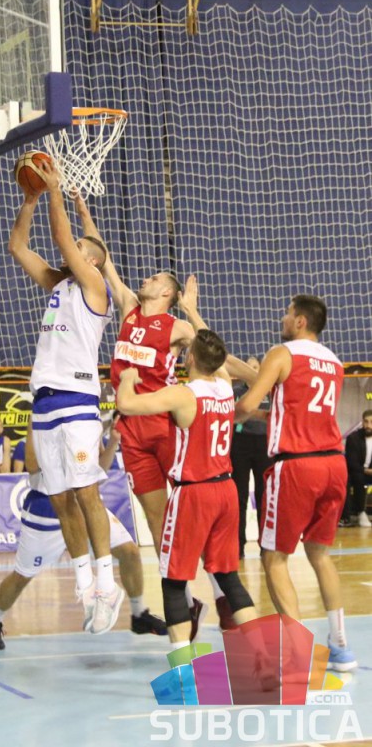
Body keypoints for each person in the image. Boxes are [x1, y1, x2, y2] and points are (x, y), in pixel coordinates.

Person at [75, 197, 257, 634]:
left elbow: (214, 355)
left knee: (191, 517)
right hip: (132, 433)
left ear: (167, 293)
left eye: (155, 277)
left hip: (166, 425)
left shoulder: (178, 328)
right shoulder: (127, 307)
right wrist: (82, 210)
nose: (146, 278)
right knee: (160, 524)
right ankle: (189, 601)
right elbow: (103, 257)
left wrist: (255, 375)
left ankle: (221, 592)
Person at [8, 163, 123, 636]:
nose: (72, 248)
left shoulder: (96, 288)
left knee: (85, 491)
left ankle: (107, 584)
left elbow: (61, 241)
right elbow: (18, 247)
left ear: (91, 261)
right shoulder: (61, 285)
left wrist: (56, 190)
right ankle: (84, 586)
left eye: (80, 248)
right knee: (58, 497)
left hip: (77, 398)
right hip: (45, 400)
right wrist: (31, 200)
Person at [116, 330, 270, 660]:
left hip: (193, 493)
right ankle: (263, 659)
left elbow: (126, 404)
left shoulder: (183, 395)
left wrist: (128, 378)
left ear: (190, 358)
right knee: (229, 578)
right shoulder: (225, 387)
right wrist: (194, 315)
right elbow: (222, 360)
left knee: (173, 581)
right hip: (226, 490)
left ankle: (183, 672)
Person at [235, 295, 357, 672]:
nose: (283, 318)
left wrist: (224, 414)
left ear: (301, 321)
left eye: (288, 313)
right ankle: (340, 646)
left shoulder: (282, 352)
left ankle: (298, 653)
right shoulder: (334, 361)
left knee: (273, 557)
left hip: (296, 466)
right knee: (320, 555)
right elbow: (296, 407)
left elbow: (247, 405)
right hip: (333, 464)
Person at [0, 421, 167, 649]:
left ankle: (139, 615)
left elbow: (100, 469)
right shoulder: (42, 415)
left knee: (130, 552)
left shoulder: (88, 417)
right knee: (22, 576)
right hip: (47, 507)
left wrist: (113, 442)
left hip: (84, 504)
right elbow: (32, 465)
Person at [230, 356, 272, 558]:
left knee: (264, 495)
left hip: (263, 444)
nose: (252, 370)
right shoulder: (236, 391)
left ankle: (266, 545)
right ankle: (238, 545)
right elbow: (233, 415)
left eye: (255, 367)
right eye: (248, 367)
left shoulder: (269, 391)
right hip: (240, 444)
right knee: (239, 495)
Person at [341, 410, 372, 528]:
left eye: (371, 422)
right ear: (362, 422)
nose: (368, 425)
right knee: (356, 477)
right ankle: (356, 514)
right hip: (356, 472)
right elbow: (352, 462)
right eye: (366, 422)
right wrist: (366, 471)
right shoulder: (353, 438)